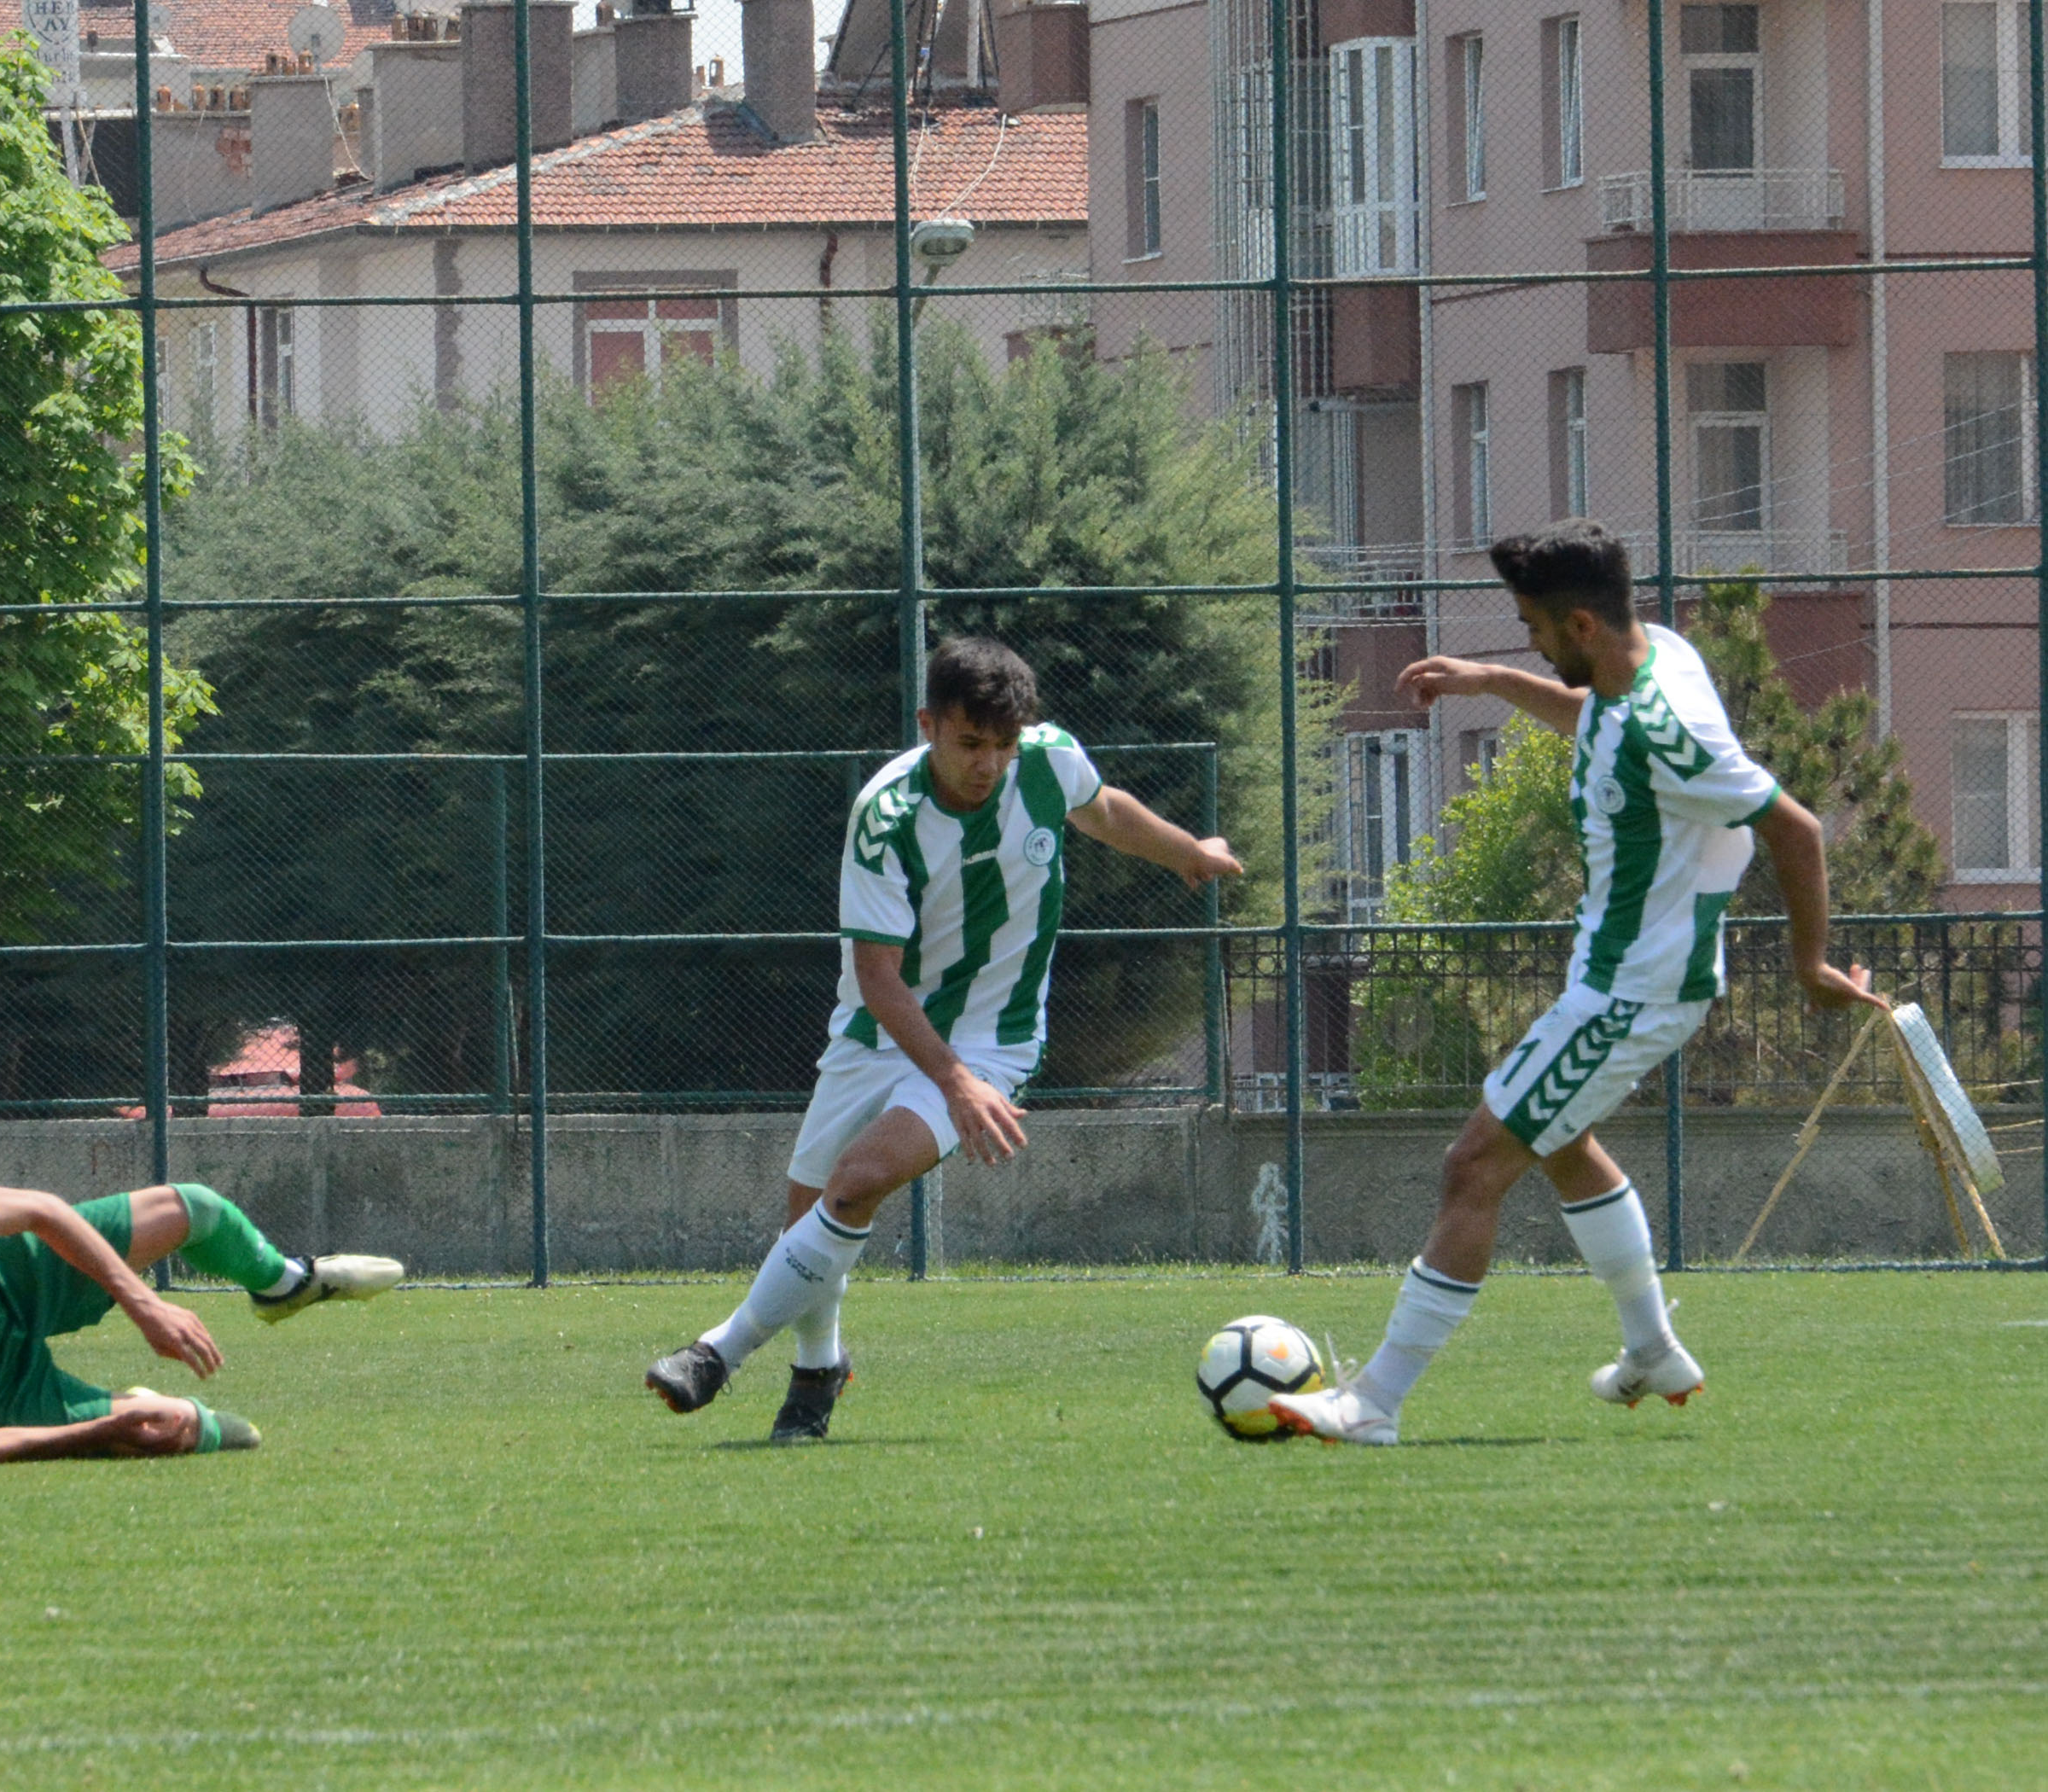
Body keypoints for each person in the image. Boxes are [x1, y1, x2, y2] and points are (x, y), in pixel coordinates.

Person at [1268, 521, 1885, 1447]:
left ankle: (1375, 1401)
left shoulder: (1665, 728)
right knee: (1561, 1146)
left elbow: (1792, 828)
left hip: (1633, 993)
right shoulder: (1650, 661)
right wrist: (1492, 680)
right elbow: (1594, 720)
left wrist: (1809, 968)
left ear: (1584, 626)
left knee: (1473, 1164)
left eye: (1534, 628)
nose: (1531, 643)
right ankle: (1652, 1349)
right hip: (1620, 981)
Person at [643, 636, 1243, 1441]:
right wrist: (951, 1083)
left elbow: (1102, 809)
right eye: (970, 743)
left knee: (855, 1182)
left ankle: (718, 1352)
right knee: (807, 1221)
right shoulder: (885, 817)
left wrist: (1188, 853)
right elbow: (882, 979)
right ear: (929, 725)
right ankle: (819, 1369)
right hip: (877, 1027)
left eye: (1003, 744)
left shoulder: (1048, 761)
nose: (990, 763)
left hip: (995, 1040)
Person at [0, 1174, 403, 1464]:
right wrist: (100, 1433)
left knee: (192, 1209)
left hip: (6, 1273)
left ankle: (285, 1285)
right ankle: (126, 1402)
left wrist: (142, 1301)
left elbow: (42, 1210)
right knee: (196, 1429)